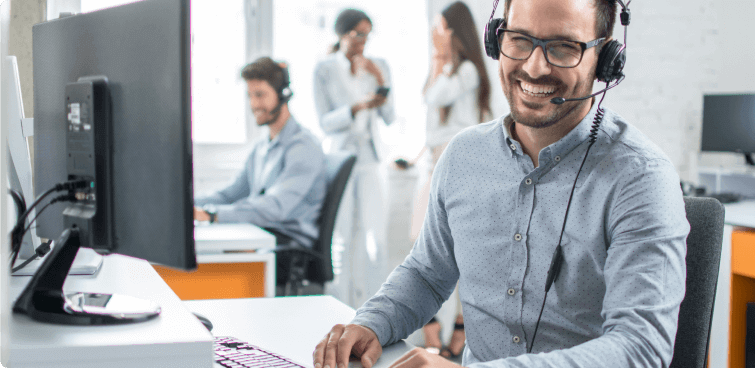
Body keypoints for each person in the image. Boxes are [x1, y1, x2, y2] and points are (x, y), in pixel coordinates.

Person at [313, 0, 689, 367]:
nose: (535, 66)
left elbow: (641, 348)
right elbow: (426, 275)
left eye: (563, 47)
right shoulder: (463, 157)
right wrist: (370, 323)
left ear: (606, 59)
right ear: (497, 39)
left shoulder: (641, 178)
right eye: (519, 39)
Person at [195, 57, 327, 291]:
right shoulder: (262, 147)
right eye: (250, 95)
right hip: (263, 239)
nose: (254, 104)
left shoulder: (303, 147)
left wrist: (212, 214)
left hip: (287, 250)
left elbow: (274, 207)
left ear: (283, 94)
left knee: (206, 266)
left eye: (260, 95)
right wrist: (187, 205)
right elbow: (231, 194)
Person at [406, 1, 491, 359]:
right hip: (432, 165)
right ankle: (433, 327)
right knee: (420, 243)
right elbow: (429, 105)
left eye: (441, 27)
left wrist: (440, 58)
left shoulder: (469, 70)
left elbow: (435, 96)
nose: (436, 35)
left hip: (458, 168)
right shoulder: (447, 68)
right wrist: (438, 59)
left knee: (458, 250)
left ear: (455, 31)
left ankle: (457, 325)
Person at [313, 8, 396, 308]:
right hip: (340, 159)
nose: (363, 41)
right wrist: (357, 107)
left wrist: (379, 80)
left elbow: (389, 115)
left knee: (376, 241)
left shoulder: (379, 65)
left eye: (367, 35)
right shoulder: (324, 69)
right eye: (357, 34)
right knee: (341, 240)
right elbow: (325, 122)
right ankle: (338, 311)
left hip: (371, 159)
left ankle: (378, 314)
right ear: (341, 34)